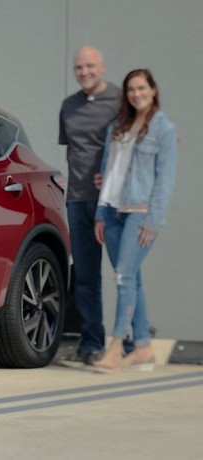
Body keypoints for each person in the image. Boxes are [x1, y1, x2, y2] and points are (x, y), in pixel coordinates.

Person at [92, 69, 177, 372]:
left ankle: (116, 346)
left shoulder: (164, 130)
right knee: (132, 278)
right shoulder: (117, 126)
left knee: (123, 278)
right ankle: (142, 346)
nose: (136, 94)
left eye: (142, 88)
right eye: (131, 89)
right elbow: (107, 173)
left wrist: (152, 222)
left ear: (153, 90)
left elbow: (164, 182)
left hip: (141, 213)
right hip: (113, 211)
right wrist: (100, 213)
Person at [58, 46, 121, 365]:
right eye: (79, 67)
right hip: (78, 200)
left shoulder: (122, 102)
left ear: (103, 67)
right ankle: (92, 343)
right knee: (85, 275)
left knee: (125, 273)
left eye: (90, 66)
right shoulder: (69, 106)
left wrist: (112, 180)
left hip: (113, 202)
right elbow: (74, 151)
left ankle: (129, 341)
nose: (84, 72)